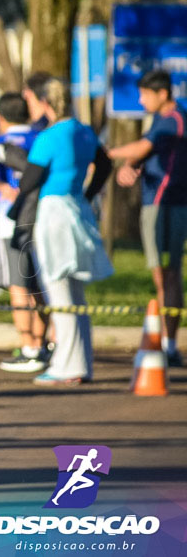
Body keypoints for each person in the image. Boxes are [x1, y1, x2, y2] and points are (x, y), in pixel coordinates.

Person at [9, 81, 113, 385]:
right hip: (77, 208)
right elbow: (105, 164)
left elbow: (30, 180)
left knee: (59, 291)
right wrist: (88, 193)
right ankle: (82, 364)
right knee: (75, 294)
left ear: (45, 102)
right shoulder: (83, 130)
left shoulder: (51, 136)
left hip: (53, 213)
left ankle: (66, 366)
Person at [108, 69, 185, 367]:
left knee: (167, 273)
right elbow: (145, 152)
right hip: (156, 202)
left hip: (168, 204)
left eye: (144, 95)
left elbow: (144, 146)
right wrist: (132, 165)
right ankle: (168, 343)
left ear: (162, 94)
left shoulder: (173, 120)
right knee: (161, 274)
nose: (140, 101)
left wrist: (107, 152)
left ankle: (169, 344)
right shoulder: (160, 123)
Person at [0, 93, 49, 371]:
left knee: (19, 286)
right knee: (39, 286)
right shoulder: (41, 137)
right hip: (42, 218)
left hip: (9, 220)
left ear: (0, 118)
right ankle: (44, 344)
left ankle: (28, 348)